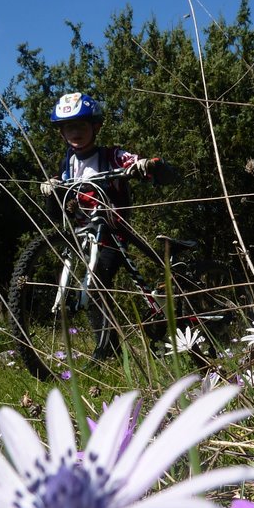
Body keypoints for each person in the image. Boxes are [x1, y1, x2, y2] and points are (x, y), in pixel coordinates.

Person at [39, 92, 172, 361]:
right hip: (84, 234)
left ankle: (106, 349)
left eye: (81, 126)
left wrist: (141, 165)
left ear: (95, 127)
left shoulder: (110, 155)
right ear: (62, 132)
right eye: (68, 127)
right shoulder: (68, 162)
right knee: (91, 285)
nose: (75, 132)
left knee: (97, 281)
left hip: (111, 230)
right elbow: (61, 183)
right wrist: (51, 184)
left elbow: (131, 161)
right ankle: (108, 347)